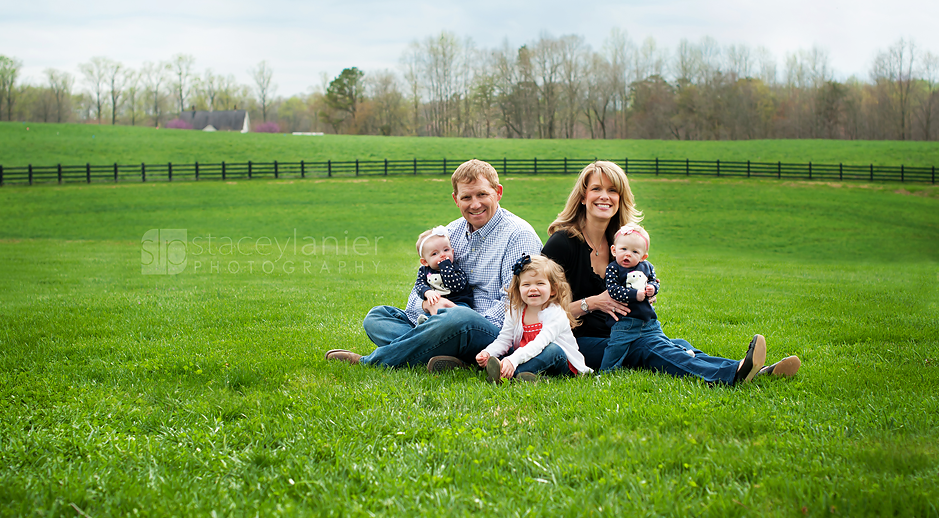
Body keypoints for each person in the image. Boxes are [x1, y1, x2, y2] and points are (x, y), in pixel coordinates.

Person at [541, 160, 801, 384]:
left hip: (620, 332)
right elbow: (537, 311)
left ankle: (756, 370)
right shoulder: (563, 243)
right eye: (596, 189)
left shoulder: (621, 243)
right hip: (576, 341)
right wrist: (593, 303)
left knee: (677, 345)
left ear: (621, 198)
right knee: (645, 347)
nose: (604, 196)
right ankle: (730, 376)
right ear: (583, 196)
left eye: (612, 190)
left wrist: (645, 292)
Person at [325, 159, 542, 370]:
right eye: (466, 197)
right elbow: (418, 291)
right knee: (377, 317)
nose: (475, 204)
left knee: (458, 319)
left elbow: (516, 303)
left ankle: (371, 361)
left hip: (493, 331)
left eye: (482, 194)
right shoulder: (449, 234)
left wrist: (456, 320)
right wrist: (427, 306)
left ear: (498, 192)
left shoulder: (519, 236)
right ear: (456, 199)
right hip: (440, 318)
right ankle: (452, 355)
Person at [476, 253, 592, 383]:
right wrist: (489, 352)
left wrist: (513, 360)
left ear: (553, 289)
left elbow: (539, 344)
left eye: (540, 283)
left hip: (558, 363)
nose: (533, 289)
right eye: (526, 285)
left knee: (553, 350)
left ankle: (507, 375)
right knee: (511, 351)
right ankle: (531, 377)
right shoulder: (515, 311)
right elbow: (505, 339)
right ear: (518, 289)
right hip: (526, 356)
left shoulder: (555, 313)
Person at [412, 226, 474, 326]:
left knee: (459, 314)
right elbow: (419, 285)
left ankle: (429, 328)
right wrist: (427, 292)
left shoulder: (455, 268)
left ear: (452, 252)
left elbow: (456, 286)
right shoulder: (424, 271)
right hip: (435, 306)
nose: (442, 255)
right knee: (431, 316)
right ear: (424, 262)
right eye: (435, 253)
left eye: (446, 250)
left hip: (458, 304)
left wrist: (445, 267)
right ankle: (426, 325)